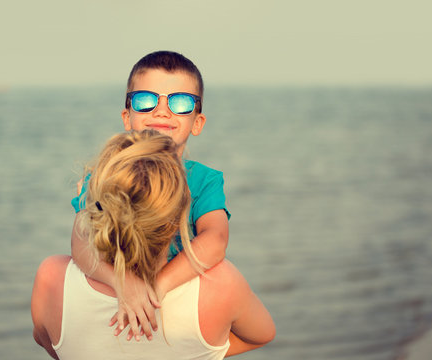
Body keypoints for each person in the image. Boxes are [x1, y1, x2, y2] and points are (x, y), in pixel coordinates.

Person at [32, 131, 275, 359]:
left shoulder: (51, 278)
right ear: (179, 218)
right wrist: (208, 350)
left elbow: (48, 342)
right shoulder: (221, 284)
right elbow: (262, 335)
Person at [71, 51, 231, 341]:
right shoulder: (106, 175)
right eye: (146, 100)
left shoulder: (204, 181)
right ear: (127, 117)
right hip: (113, 301)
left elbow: (215, 239)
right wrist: (124, 284)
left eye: (180, 102)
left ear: (197, 122)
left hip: (175, 301)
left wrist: (158, 286)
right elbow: (81, 240)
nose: (161, 111)